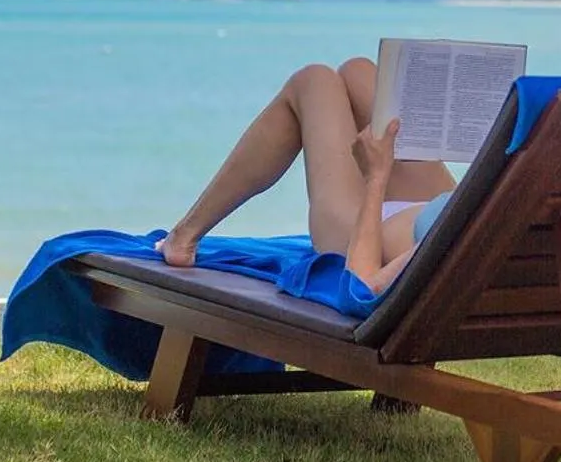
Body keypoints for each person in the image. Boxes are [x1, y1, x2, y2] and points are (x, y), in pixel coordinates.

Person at [156, 57, 457, 294]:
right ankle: (186, 233)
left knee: (313, 81)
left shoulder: (459, 247)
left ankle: (185, 236)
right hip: (450, 211)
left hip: (369, 236)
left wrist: (377, 178)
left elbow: (363, 284)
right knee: (359, 71)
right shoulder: (502, 216)